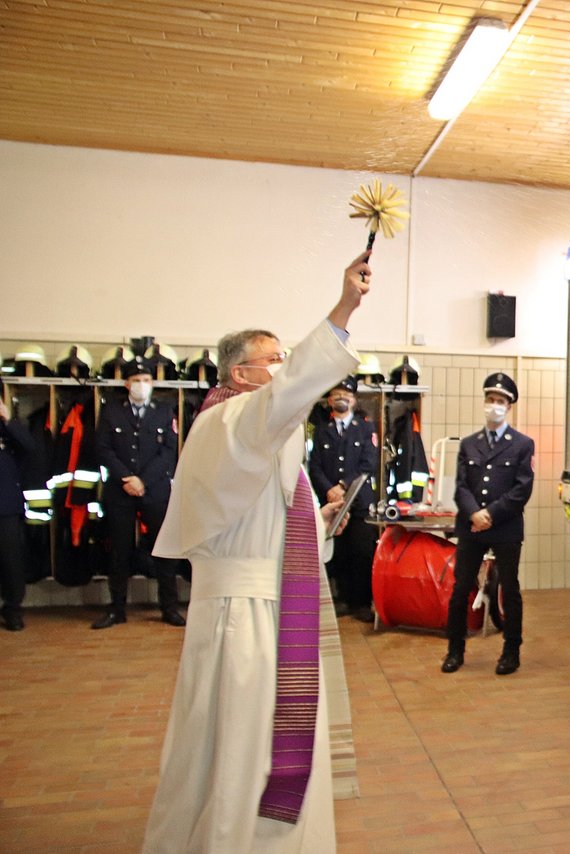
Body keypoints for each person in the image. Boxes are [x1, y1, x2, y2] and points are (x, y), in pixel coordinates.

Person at [140, 252, 371, 854]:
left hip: (268, 600)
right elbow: (293, 394)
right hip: (241, 616)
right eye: (275, 360)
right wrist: (344, 307)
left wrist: (316, 523)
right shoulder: (232, 421)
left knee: (257, 740)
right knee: (243, 744)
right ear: (239, 375)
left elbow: (259, 520)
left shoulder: (246, 428)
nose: (285, 369)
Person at [442, 372, 534, 676]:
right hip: (471, 526)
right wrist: (474, 514)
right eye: (491, 400)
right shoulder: (469, 444)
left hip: (505, 526)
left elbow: (522, 489)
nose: (494, 405)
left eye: (501, 401)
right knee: (460, 589)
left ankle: (511, 651)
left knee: (510, 589)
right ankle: (455, 649)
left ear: (509, 406)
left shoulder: (522, 444)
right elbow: (461, 487)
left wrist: (490, 515)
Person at [91, 358, 184, 629]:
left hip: (154, 490)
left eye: (146, 380)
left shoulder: (165, 411)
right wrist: (127, 478)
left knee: (164, 551)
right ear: (126, 384)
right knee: (119, 551)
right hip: (120, 491)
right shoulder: (111, 411)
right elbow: (103, 448)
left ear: (152, 384)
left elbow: (169, 451)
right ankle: (116, 609)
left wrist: (143, 480)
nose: (141, 385)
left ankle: (169, 608)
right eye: (136, 381)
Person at [308, 376, 378, 623]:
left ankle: (361, 602)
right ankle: (344, 600)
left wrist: (342, 486)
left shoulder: (366, 429)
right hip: (331, 504)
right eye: (336, 394)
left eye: (346, 395)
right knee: (338, 554)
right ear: (329, 400)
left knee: (361, 552)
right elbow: (314, 466)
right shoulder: (321, 431)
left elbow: (368, 464)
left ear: (354, 400)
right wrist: (329, 490)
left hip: (358, 504)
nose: (342, 399)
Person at [0, 393, 34, 631]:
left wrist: (7, 418)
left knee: (11, 560)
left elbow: (30, 447)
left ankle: (12, 608)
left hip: (6, 504)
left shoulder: (7, 426)